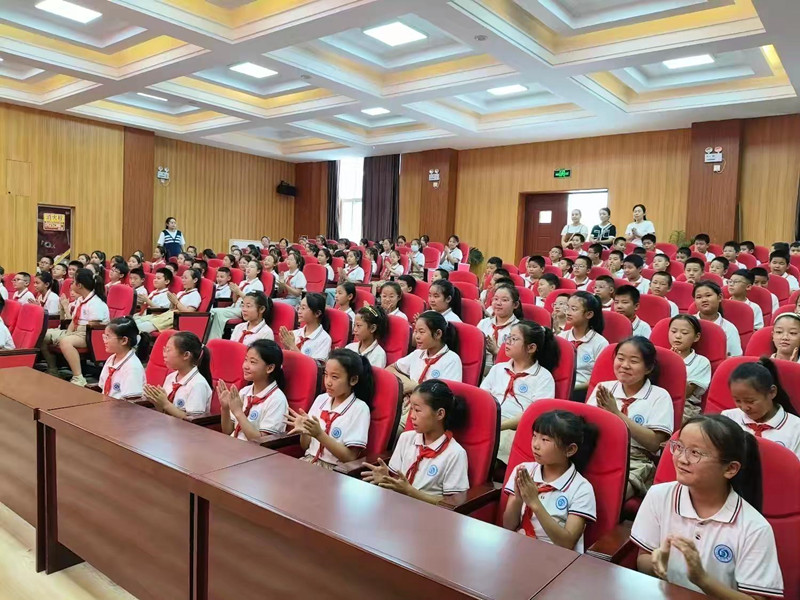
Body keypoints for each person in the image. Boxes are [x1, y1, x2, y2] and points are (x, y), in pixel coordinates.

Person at [631, 415, 783, 599]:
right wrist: (657, 563)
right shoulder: (658, 495)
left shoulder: (754, 528)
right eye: (679, 447)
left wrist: (702, 580)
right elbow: (643, 560)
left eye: (695, 453)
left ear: (730, 469)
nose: (682, 459)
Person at [588, 337, 673, 499]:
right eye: (620, 358)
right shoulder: (603, 388)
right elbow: (587, 427)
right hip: (600, 452)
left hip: (636, 460)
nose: (625, 365)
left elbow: (654, 444)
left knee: (609, 497)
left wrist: (617, 413)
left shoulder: (659, 396)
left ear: (648, 368)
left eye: (633, 361)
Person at [503, 411, 598, 554]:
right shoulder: (524, 470)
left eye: (545, 440)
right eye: (534, 436)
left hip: (554, 556)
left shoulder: (582, 488)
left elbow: (567, 543)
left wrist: (535, 503)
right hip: (518, 548)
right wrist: (517, 499)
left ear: (570, 449)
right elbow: (508, 526)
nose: (536, 445)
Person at [363, 379, 469, 503]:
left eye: (417, 410)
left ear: (440, 414)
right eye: (411, 409)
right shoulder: (406, 438)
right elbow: (398, 482)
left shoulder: (455, 453)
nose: (412, 416)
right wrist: (387, 478)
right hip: (397, 505)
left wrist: (411, 492)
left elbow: (453, 503)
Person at [481, 320, 558, 466]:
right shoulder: (498, 369)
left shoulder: (543, 377)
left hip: (513, 429)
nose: (507, 342)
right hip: (488, 422)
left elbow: (535, 415)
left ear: (531, 348)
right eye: (508, 337)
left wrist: (498, 426)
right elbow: (482, 399)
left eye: (514, 339)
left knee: (490, 453)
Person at [286, 349, 373, 470]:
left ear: (353, 380)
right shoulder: (321, 399)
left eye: (335, 377)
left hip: (335, 471)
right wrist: (304, 432)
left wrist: (319, 435)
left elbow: (350, 457)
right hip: (308, 461)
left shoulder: (360, 408)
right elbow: (305, 447)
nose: (328, 382)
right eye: (326, 375)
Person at [388, 311, 463, 433]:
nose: (416, 336)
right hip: (404, 406)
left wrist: (416, 387)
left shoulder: (452, 360)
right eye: (416, 331)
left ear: (438, 334)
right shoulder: (418, 353)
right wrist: (408, 382)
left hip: (425, 415)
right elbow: (390, 368)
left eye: (422, 332)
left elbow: (446, 397)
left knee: (389, 432)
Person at [41, 268, 109, 386]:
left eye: (73, 281)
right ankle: (53, 370)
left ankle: (78, 377)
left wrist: (67, 336)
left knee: (65, 342)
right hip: (77, 331)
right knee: (43, 336)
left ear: (79, 285)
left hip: (90, 334)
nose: (71, 284)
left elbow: (95, 325)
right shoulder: (81, 300)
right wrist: (68, 333)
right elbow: (74, 320)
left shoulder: (96, 303)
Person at [723, 358, 800, 458]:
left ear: (772, 392)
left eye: (750, 401)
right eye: (737, 401)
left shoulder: (796, 428)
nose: (744, 408)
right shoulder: (728, 418)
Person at [217, 340, 288, 441]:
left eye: (252, 362)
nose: (245, 366)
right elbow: (228, 431)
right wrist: (225, 408)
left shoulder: (277, 400)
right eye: (246, 360)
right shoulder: (244, 392)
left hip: (252, 450)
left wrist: (238, 412)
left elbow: (260, 441)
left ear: (270, 368)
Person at [143, 332, 213, 418]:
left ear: (186, 355)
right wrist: (157, 401)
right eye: (164, 350)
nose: (164, 355)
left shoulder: (198, 384)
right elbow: (164, 412)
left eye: (168, 350)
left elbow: (192, 421)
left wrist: (165, 403)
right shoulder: (171, 377)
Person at [558, 291, 608, 398]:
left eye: (574, 309)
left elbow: (598, 379)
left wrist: (570, 389)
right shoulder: (561, 338)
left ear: (589, 314)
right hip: (559, 389)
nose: (568, 312)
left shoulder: (600, 343)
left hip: (583, 393)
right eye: (567, 307)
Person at [206, 260, 265, 339]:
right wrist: (234, 292)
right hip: (234, 307)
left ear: (258, 271)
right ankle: (207, 338)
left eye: (252, 267)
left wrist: (239, 292)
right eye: (247, 266)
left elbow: (253, 302)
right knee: (211, 312)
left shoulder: (258, 284)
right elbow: (234, 301)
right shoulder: (243, 282)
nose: (248, 269)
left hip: (244, 309)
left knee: (217, 313)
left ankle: (214, 339)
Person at [667, 315, 711, 421]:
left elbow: (685, 393)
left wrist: (675, 364)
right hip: (658, 401)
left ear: (696, 337)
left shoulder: (701, 362)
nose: (678, 336)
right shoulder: (661, 357)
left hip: (686, 407)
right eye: (673, 331)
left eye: (684, 333)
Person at [136, 268, 203, 333]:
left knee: (140, 327)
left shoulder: (195, 295)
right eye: (182, 278)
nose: (183, 280)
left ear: (195, 280)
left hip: (174, 319)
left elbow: (189, 313)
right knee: (136, 322)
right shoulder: (180, 293)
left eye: (185, 278)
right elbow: (171, 308)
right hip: (166, 315)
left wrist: (176, 302)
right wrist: (172, 302)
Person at [97, 316, 148, 400]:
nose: (105, 341)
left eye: (108, 337)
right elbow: (102, 386)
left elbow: (131, 401)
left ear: (124, 340)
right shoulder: (111, 359)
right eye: (104, 337)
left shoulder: (132, 367)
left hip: (121, 407)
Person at [478, 284, 522, 371]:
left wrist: (497, 351)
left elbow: (520, 360)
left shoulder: (519, 329)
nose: (498, 303)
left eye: (504, 300)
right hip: (480, 370)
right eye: (495, 299)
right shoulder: (483, 323)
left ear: (515, 304)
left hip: (506, 371)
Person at [278, 292, 332, 362]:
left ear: (317, 313)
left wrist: (292, 346)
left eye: (303, 308)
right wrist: (287, 347)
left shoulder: (324, 339)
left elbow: (315, 366)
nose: (299, 311)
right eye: (299, 307)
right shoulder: (294, 334)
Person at [693, 281, 742, 357]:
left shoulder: (729, 328)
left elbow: (735, 357)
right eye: (699, 297)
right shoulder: (687, 324)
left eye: (708, 295)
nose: (704, 300)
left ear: (719, 297)